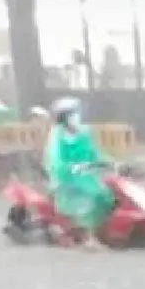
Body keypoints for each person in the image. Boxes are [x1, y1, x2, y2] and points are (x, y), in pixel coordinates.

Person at [44, 97, 115, 244]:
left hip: (88, 176)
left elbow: (95, 154)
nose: (76, 117)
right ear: (63, 118)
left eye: (77, 113)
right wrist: (71, 168)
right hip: (67, 181)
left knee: (108, 194)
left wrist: (108, 162)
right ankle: (88, 236)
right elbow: (55, 161)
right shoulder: (57, 136)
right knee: (90, 197)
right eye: (72, 114)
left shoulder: (85, 133)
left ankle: (104, 230)